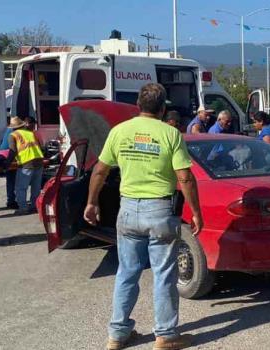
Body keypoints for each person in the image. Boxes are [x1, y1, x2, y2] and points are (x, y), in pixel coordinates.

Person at [83, 83, 202, 350]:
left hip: (127, 210)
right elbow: (184, 176)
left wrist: (92, 202)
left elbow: (100, 171)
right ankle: (166, 336)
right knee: (163, 274)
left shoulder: (119, 131)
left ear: (138, 105)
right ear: (162, 109)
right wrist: (195, 212)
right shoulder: (170, 133)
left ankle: (118, 334)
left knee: (126, 272)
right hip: (160, 210)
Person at [6, 116, 44, 215]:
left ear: (13, 127)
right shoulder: (31, 133)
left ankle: (23, 208)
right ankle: (34, 206)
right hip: (39, 161)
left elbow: (12, 151)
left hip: (26, 163)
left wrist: (6, 164)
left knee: (21, 187)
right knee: (36, 187)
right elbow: (40, 147)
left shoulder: (13, 135)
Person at [0, 123, 18, 209]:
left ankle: (11, 200)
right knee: (13, 181)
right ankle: (12, 201)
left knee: (10, 181)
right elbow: (13, 149)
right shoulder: (15, 133)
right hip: (8, 156)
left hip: (1, 154)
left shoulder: (8, 131)